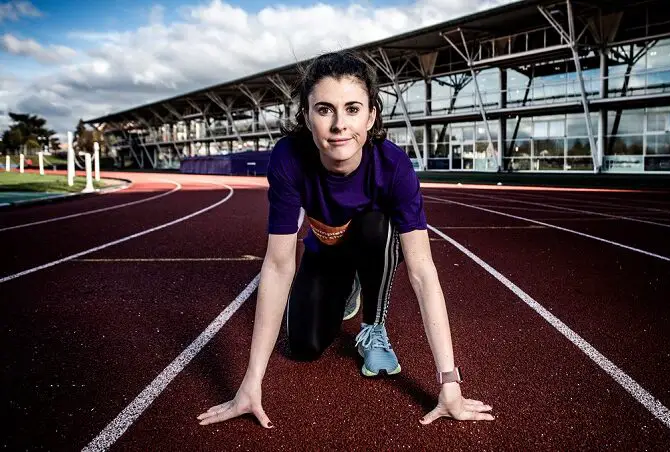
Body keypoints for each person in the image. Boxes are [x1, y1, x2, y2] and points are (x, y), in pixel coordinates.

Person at [197, 50, 493, 428]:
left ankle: (373, 324)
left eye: (352, 109)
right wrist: (250, 382)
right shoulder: (288, 158)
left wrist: (449, 383)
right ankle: (348, 287)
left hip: (374, 244)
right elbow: (277, 263)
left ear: (371, 116)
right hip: (324, 254)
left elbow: (422, 270)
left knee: (376, 225)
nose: (339, 124)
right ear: (306, 116)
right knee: (303, 348)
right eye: (324, 110)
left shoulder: (393, 166)